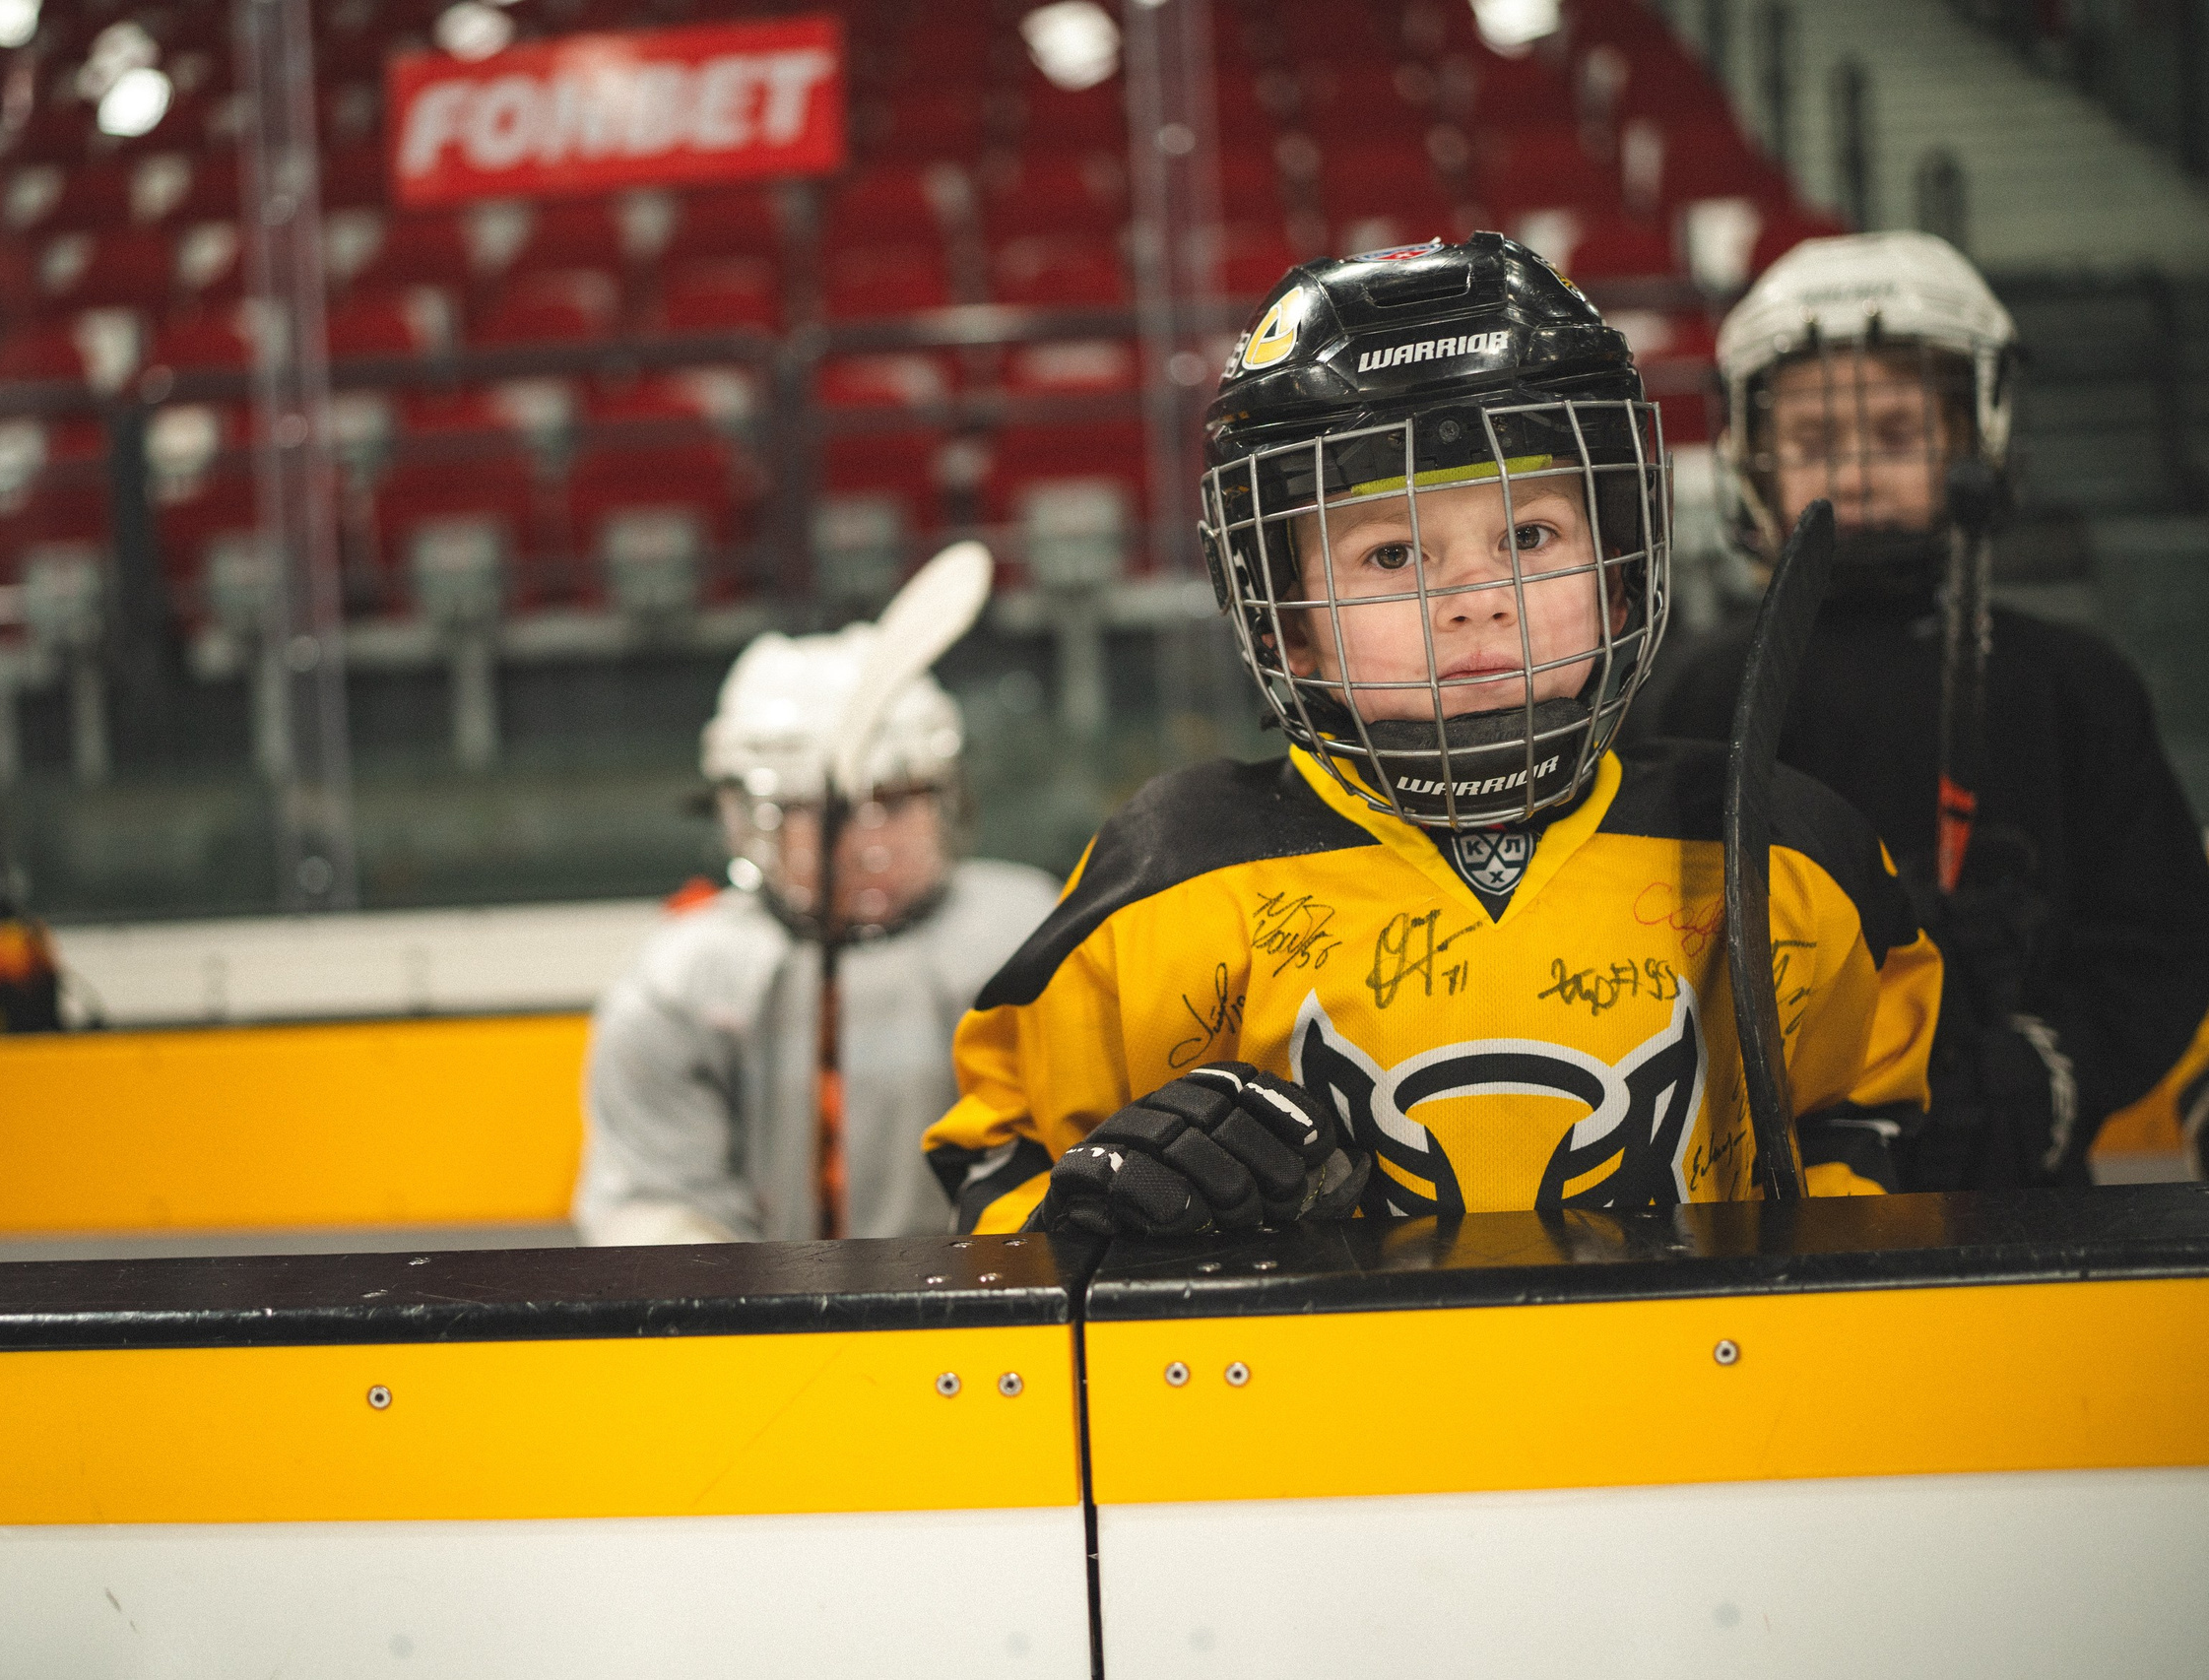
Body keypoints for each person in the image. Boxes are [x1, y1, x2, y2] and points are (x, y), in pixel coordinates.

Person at [923, 232, 1941, 1236]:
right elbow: (999, 1151)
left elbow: (1874, 1119)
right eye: (1389, 553)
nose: (1474, 599)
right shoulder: (1171, 872)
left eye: (1530, 535)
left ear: (1618, 567)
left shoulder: (1781, 852)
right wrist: (1090, 1219)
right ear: (1286, 618)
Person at [1657, 231, 2209, 1189]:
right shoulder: (1697, 692)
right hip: (1765, 1200)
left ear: (1975, 441)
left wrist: (2045, 1071)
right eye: (1816, 443)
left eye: (1898, 435)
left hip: (2021, 1191)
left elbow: (2154, 938)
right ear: (1754, 458)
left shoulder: (2073, 682)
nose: (1857, 474)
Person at [573, 624, 1060, 1244]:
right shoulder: (685, 981)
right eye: (826, 812)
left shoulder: (1032, 932)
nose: (870, 841)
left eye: (897, 800)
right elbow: (655, 1210)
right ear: (751, 820)